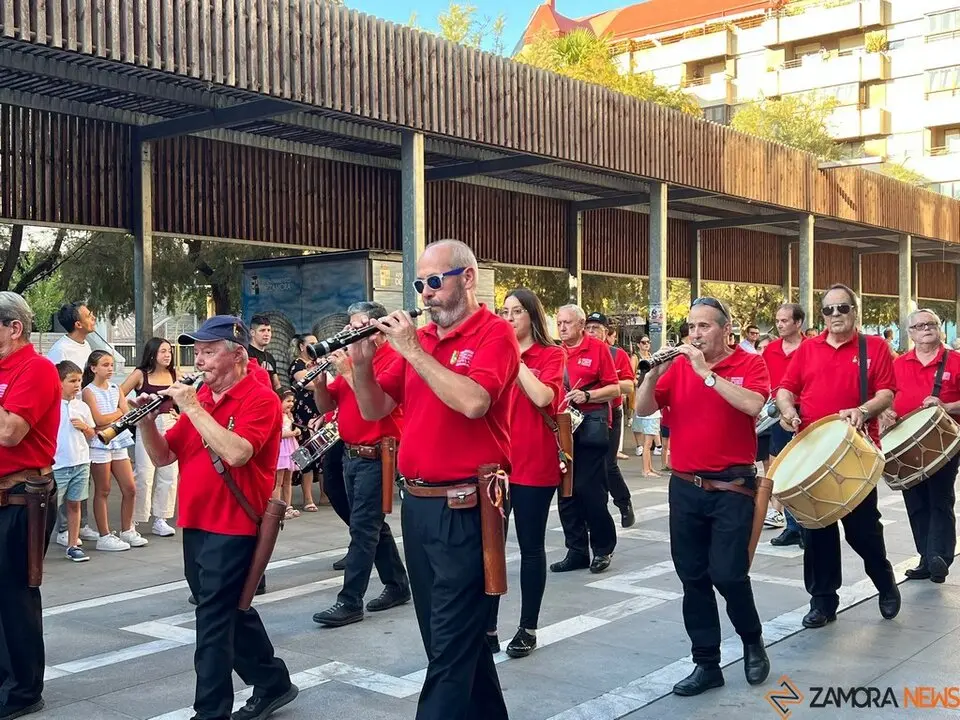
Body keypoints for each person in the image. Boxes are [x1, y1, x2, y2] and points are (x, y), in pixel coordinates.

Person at [350, 239, 515, 720]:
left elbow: (473, 402)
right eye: (420, 284)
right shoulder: (420, 342)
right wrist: (361, 364)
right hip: (419, 505)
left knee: (450, 644)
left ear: (468, 278)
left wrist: (410, 351)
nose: (425, 293)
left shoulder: (495, 334)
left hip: (466, 504)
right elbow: (374, 408)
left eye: (435, 282)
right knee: (448, 640)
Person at [132, 315, 298, 720]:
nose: (199, 361)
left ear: (237, 355)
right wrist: (147, 422)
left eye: (209, 352)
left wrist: (190, 405)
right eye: (198, 352)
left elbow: (238, 453)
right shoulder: (202, 398)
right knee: (226, 611)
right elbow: (163, 456)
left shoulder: (259, 398)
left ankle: (210, 712)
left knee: (212, 621)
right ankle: (273, 681)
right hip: (197, 523)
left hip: (235, 526)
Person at [635, 296, 771, 696]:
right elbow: (644, 408)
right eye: (691, 326)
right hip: (686, 485)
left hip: (732, 485)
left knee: (728, 574)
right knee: (692, 577)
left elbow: (754, 405)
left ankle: (751, 639)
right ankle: (706, 662)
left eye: (704, 326)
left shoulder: (750, 363)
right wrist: (650, 374)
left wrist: (706, 373)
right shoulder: (676, 366)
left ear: (726, 330)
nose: (695, 334)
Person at [776, 284, 899, 629]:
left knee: (863, 533)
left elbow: (887, 393)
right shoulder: (807, 349)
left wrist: (863, 409)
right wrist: (787, 410)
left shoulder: (874, 346)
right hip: (813, 454)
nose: (835, 316)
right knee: (817, 533)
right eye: (828, 310)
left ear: (855, 311)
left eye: (842, 308)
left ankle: (884, 582)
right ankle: (823, 602)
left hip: (853, 453)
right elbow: (786, 389)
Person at [312, 301, 411, 628]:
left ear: (378, 328)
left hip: (377, 454)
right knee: (371, 526)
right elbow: (328, 404)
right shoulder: (353, 359)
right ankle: (397, 584)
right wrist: (319, 382)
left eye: (360, 326)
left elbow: (377, 405)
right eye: (351, 327)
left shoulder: (391, 360)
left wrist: (348, 370)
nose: (353, 333)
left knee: (363, 529)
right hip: (350, 454)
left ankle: (349, 600)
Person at [492, 288, 566, 659]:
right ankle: (488, 626)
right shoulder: (493, 351)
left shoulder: (551, 354)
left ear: (532, 316)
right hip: (495, 464)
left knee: (530, 546)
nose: (509, 317)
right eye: (504, 311)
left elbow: (543, 398)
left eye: (517, 311)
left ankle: (528, 627)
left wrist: (516, 360)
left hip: (534, 463)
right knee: (490, 547)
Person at [0, 291, 61, 720]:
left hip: (22, 497)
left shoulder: (35, 368)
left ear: (13, 327)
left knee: (16, 597)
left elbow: (9, 432)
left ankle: (23, 690)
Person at [883, 309, 960, 584]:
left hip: (944, 442)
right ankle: (926, 558)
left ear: (939, 329)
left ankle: (940, 556)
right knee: (915, 501)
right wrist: (886, 412)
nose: (926, 328)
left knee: (939, 497)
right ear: (911, 333)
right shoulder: (899, 364)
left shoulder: (956, 361)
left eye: (931, 324)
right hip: (905, 444)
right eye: (919, 326)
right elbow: (886, 397)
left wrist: (947, 406)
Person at [551, 305, 620, 574]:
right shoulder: (555, 352)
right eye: (559, 322)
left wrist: (588, 396)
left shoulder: (598, 348)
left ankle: (603, 548)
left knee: (589, 490)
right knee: (566, 491)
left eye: (568, 322)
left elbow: (615, 388)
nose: (563, 327)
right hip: (562, 428)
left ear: (581, 324)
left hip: (591, 428)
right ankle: (576, 550)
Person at [83, 350, 147, 551]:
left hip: (118, 441)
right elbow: (98, 420)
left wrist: (118, 414)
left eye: (111, 365)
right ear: (93, 368)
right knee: (103, 489)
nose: (110, 369)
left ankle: (127, 529)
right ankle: (104, 535)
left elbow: (127, 415)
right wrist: (118, 413)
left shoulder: (115, 388)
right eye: (105, 365)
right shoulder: (88, 391)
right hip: (100, 444)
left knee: (130, 487)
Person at [48, 302, 100, 547]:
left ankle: (81, 525)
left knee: (81, 473)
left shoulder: (86, 345)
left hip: (82, 413)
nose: (94, 317)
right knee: (63, 477)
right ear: (78, 324)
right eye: (89, 315)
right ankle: (62, 529)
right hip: (65, 415)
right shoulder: (61, 350)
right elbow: (52, 381)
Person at [121, 337, 179, 537]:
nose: (167, 355)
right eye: (163, 351)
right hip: (147, 424)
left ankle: (161, 518)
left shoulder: (174, 373)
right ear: (153, 353)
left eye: (169, 352)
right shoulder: (141, 374)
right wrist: (133, 412)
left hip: (170, 424)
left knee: (169, 474)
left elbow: (184, 397)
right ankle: (134, 518)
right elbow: (120, 393)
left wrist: (179, 415)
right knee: (144, 473)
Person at [585, 312, 636, 528]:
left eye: (596, 328)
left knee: (608, 465)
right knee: (587, 469)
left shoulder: (617, 354)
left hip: (610, 413)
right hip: (584, 415)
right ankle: (593, 513)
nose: (591, 332)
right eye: (588, 327)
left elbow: (629, 385)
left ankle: (623, 503)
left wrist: (607, 381)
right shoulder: (577, 352)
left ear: (607, 333)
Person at [764, 304, 806, 548]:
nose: (780, 325)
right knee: (783, 470)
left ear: (798, 323)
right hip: (779, 415)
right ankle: (792, 526)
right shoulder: (770, 350)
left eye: (784, 320)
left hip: (807, 412)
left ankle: (808, 526)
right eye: (777, 320)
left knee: (805, 470)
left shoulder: (811, 348)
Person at [53, 360, 96, 563]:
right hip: (58, 464)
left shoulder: (82, 407)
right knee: (51, 508)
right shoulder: (50, 404)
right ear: (59, 382)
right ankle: (36, 546)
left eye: (79, 380)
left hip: (81, 461)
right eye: (72, 380)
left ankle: (72, 544)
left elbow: (92, 433)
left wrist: (85, 428)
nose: (77, 384)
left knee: (75, 504)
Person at [288, 334, 320, 512]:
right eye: (311, 344)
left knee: (321, 456)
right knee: (305, 455)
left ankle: (324, 495)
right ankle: (307, 497)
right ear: (302, 346)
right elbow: (309, 382)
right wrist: (321, 379)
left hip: (319, 413)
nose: (315, 346)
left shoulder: (317, 363)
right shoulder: (297, 364)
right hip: (303, 416)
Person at [274, 389, 301, 519]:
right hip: (281, 449)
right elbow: (279, 433)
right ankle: (277, 507)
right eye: (288, 401)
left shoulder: (289, 416)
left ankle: (288, 505)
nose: (291, 404)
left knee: (288, 480)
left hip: (289, 448)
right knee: (278, 481)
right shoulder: (276, 415)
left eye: (292, 401)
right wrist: (293, 433)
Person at [248, 314, 281, 392]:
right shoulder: (245, 353)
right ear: (252, 332)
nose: (267, 334)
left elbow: (276, 384)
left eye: (269, 330)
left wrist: (285, 394)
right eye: (262, 330)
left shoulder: (270, 357)